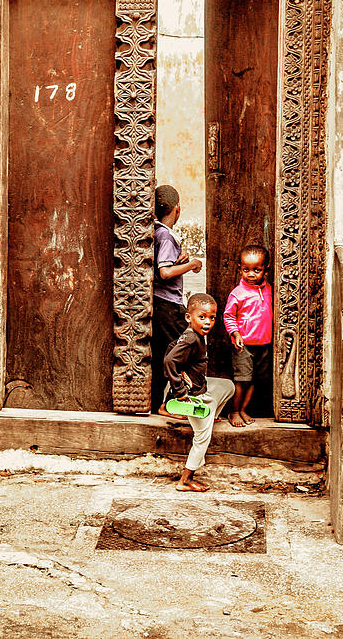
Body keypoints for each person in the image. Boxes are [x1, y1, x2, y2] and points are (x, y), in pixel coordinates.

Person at [164, 293, 234, 491]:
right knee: (202, 438)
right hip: (193, 396)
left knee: (228, 386)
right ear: (189, 317)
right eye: (202, 317)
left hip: (201, 386)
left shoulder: (196, 335)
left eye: (212, 317)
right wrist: (180, 392)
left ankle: (211, 415)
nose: (208, 322)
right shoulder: (190, 339)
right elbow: (169, 361)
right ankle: (185, 480)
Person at [152, 184, 202, 413]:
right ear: (177, 209)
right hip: (168, 305)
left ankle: (156, 404)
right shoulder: (166, 235)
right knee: (184, 351)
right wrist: (191, 265)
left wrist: (179, 263)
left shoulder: (155, 232)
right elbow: (164, 272)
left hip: (162, 304)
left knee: (163, 353)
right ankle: (173, 401)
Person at [223, 244, 273, 427]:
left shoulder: (269, 290)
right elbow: (228, 315)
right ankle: (234, 411)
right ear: (240, 269)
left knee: (253, 381)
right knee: (242, 380)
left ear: (265, 269)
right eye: (246, 270)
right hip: (243, 344)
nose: (251, 274)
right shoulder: (238, 293)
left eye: (256, 270)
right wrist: (235, 334)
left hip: (264, 344)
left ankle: (244, 409)